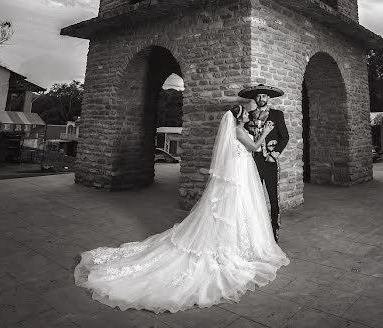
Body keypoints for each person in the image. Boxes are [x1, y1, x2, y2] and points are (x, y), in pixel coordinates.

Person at [73, 105, 290, 313]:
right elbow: (253, 148)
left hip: (239, 175)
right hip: (239, 177)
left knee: (236, 211)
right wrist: (266, 132)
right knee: (237, 210)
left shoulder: (236, 129)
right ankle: (235, 246)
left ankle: (240, 242)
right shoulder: (239, 131)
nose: (248, 115)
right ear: (239, 117)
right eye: (245, 114)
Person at [238, 84, 290, 243]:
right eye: (259, 96)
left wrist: (274, 155)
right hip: (254, 161)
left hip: (270, 161)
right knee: (253, 197)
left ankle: (274, 232)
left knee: (273, 198)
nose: (261, 99)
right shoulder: (249, 115)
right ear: (255, 98)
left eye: (264, 96)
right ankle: (255, 233)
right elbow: (245, 138)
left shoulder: (277, 115)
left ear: (268, 98)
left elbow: (285, 137)